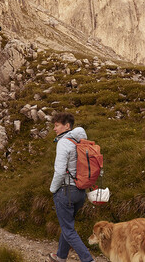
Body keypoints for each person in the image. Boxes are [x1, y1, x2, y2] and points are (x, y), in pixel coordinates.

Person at [48, 112, 94, 262]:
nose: (54, 129)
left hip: (66, 191)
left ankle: (88, 260)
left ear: (67, 126)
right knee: (67, 225)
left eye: (56, 125)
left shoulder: (63, 142)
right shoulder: (80, 142)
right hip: (80, 192)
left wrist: (53, 189)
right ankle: (61, 257)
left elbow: (60, 171)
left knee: (68, 230)